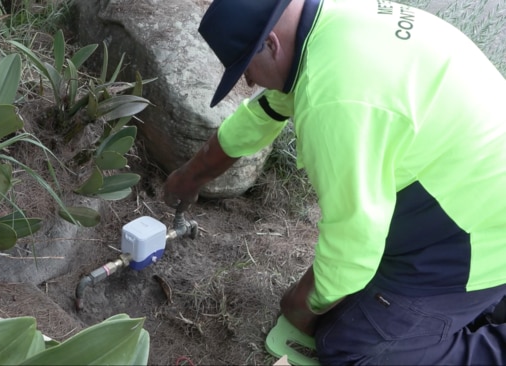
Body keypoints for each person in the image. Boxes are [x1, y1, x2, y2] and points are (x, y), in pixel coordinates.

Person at [162, 0, 506, 364]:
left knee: (351, 347)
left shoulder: (335, 100)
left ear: (272, 45)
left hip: (476, 237)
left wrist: (303, 303)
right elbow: (260, 115)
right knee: (353, 308)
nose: (248, 82)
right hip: (467, 185)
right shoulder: (331, 24)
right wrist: (190, 176)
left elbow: (355, 242)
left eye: (246, 67)